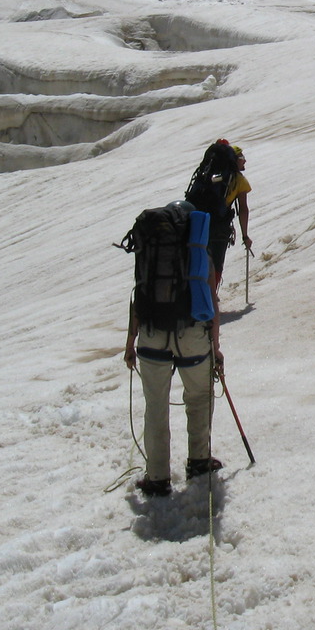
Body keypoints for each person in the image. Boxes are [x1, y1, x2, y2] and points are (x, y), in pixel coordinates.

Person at [123, 212, 223, 497]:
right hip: (192, 336)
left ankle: (157, 477)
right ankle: (199, 461)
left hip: (152, 336)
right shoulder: (199, 254)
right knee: (199, 397)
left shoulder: (150, 254)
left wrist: (130, 342)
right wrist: (215, 348)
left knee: (155, 405)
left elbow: (137, 298)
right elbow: (211, 302)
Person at [185, 139, 252, 291]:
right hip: (218, 226)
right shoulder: (238, 180)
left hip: (195, 222)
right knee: (215, 261)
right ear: (234, 160)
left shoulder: (204, 175)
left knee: (195, 258)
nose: (244, 160)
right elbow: (243, 209)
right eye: (241, 158)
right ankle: (210, 298)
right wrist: (245, 236)